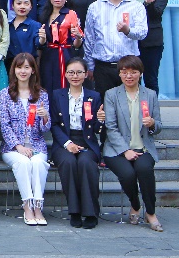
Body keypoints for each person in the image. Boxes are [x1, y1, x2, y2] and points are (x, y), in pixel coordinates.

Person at [103, 56, 164, 232]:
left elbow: (159, 126)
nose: (129, 76)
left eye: (133, 72)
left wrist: (152, 124)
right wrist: (125, 150)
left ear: (140, 73)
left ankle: (150, 213)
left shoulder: (150, 95)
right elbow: (111, 127)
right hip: (116, 149)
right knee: (128, 174)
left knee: (144, 170)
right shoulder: (111, 94)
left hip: (143, 147)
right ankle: (135, 204)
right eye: (124, 72)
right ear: (119, 74)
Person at [50, 57, 104, 229]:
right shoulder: (57, 95)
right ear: (65, 74)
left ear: (86, 74)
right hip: (64, 142)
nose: (75, 76)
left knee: (86, 163)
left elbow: (96, 129)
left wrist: (101, 120)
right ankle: (74, 211)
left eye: (79, 72)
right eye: (71, 72)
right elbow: (53, 124)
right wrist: (67, 143)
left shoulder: (94, 96)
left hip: (87, 141)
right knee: (68, 162)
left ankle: (91, 212)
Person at [0, 53, 51, 226]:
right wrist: (18, 146)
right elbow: (4, 125)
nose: (23, 71)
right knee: (23, 162)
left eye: (27, 67)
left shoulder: (42, 95)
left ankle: (38, 207)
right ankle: (28, 206)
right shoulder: (5, 94)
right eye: (19, 67)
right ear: (14, 70)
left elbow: (45, 129)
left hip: (37, 145)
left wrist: (45, 117)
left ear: (33, 70)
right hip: (12, 148)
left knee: (38, 163)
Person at [84, 0, 149, 99]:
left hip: (129, 67)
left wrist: (128, 31)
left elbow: (142, 32)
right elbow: (89, 38)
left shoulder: (136, 6)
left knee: (130, 105)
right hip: (103, 66)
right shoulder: (95, 7)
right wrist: (90, 66)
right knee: (104, 105)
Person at [126, 0, 168, 94]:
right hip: (132, 41)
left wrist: (149, 4)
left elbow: (157, 14)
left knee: (150, 78)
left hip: (152, 42)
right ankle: (134, 105)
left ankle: (151, 106)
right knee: (132, 78)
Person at [39, 0, 84, 94]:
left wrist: (78, 38)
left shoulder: (71, 14)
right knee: (47, 84)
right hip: (48, 55)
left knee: (63, 86)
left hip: (65, 54)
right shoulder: (45, 15)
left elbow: (76, 43)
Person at [7, 0, 45, 77]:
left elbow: (39, 43)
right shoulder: (7, 26)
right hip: (9, 66)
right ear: (12, 6)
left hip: (28, 66)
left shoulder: (35, 25)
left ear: (31, 7)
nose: (22, 7)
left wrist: (42, 39)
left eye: (26, 3)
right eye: (19, 3)